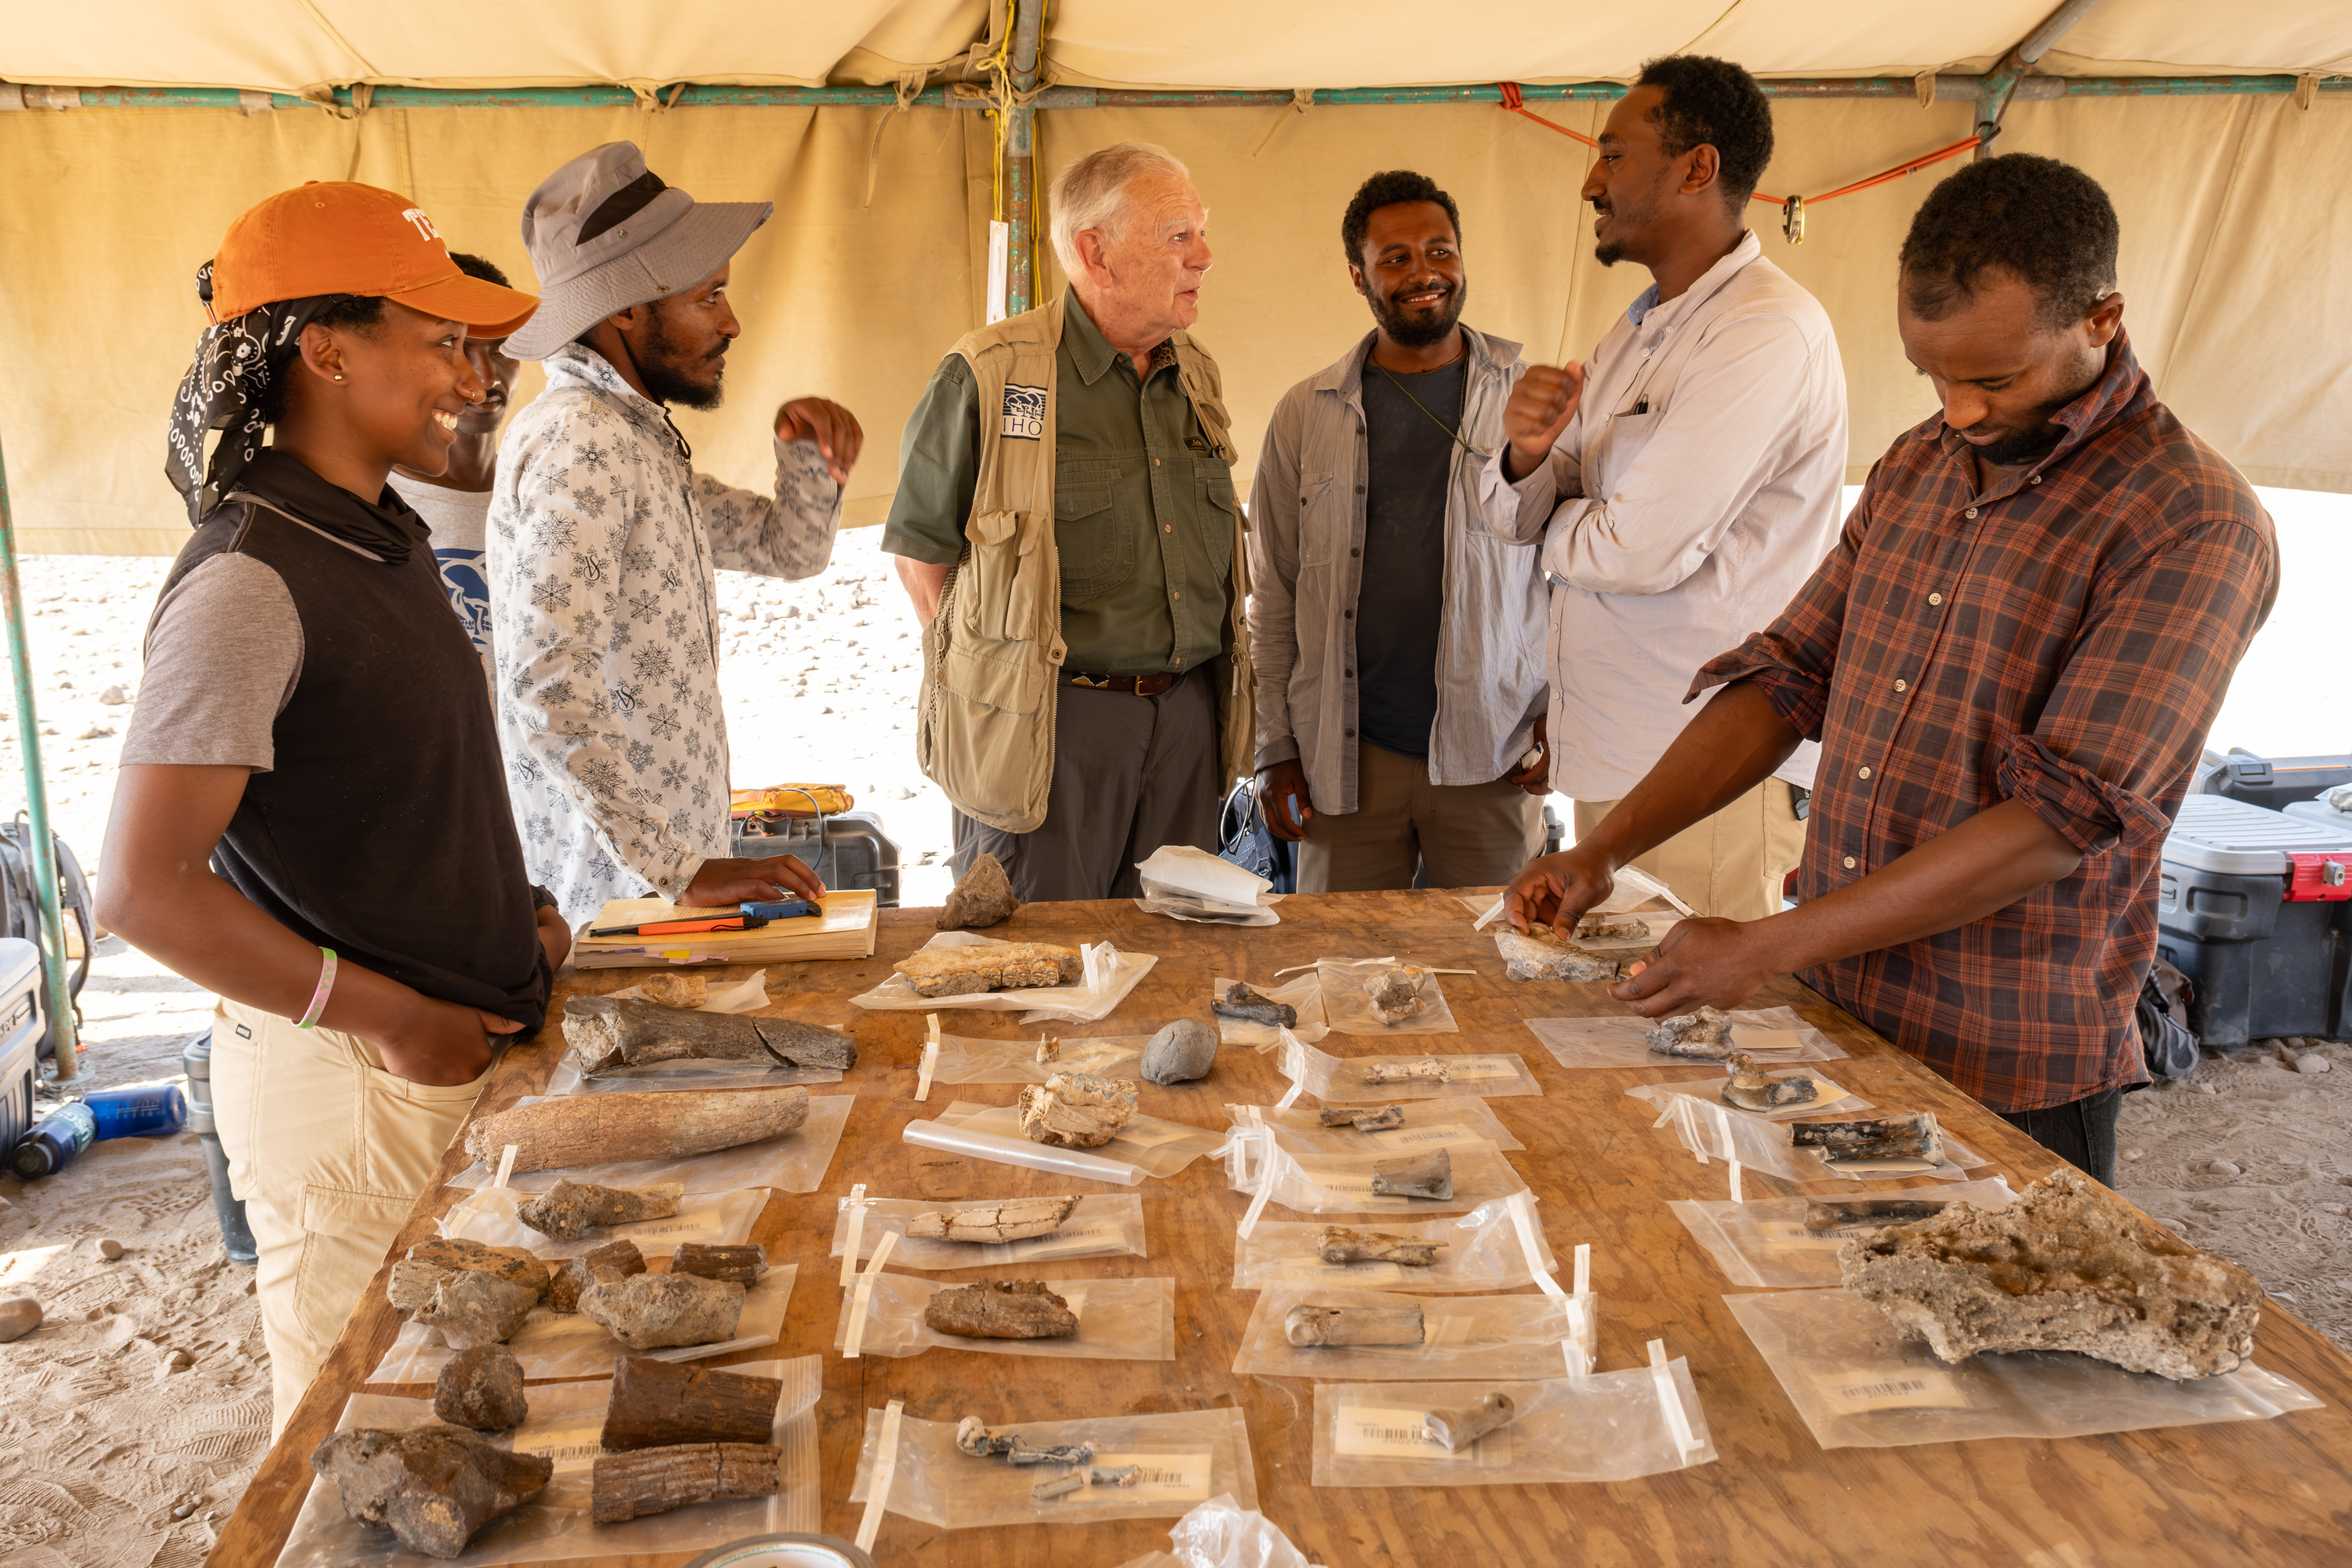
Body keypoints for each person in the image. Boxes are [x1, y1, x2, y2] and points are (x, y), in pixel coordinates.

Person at [1505, 154, 2279, 1187]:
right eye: (1931, 374)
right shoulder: (1920, 464)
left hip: (2003, 1059)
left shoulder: (2188, 521)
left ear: (2101, 319)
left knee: (2007, 1336)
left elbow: (2054, 822)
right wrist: (1604, 850)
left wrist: (1764, 943)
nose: (1957, 409)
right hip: (1839, 1013)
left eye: (1993, 379)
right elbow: (1786, 676)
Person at [98, 182, 571, 1435]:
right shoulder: (252, 577)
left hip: (424, 1057)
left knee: (465, 1430)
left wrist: (509, 920)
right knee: (367, 1444)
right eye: (443, 344)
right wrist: (393, 1017)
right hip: (349, 1085)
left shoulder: (375, 536)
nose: (473, 383)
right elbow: (143, 888)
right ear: (326, 349)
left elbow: (388, 794)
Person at [1484, 55, 1847, 919]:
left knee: (1702, 1046)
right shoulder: (1637, 328)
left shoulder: (1764, 331)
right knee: (1623, 1037)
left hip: (1710, 779)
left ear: (1697, 168)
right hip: (1626, 764)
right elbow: (1509, 514)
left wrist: (1555, 524)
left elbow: (1639, 550)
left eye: (1612, 155)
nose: (1588, 183)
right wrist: (1527, 457)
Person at [491, 142, 865, 925]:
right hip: (615, 899)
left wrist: (808, 461)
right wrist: (680, 868)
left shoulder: (634, 442)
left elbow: (786, 552)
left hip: (657, 884)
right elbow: (546, 680)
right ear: (625, 309)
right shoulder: (584, 442)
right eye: (708, 298)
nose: (731, 323)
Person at [883, 142, 1253, 902]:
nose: (1204, 256)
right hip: (1051, 729)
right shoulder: (990, 373)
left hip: (1187, 722)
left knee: (1172, 963)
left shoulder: (1196, 374)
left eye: (1201, 231)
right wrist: (997, 699)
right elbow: (924, 561)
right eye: (1177, 235)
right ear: (1097, 253)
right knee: (1040, 973)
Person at [1248, 170, 1549, 892]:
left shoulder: (1528, 394)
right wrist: (1273, 747)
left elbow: (1575, 575)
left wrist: (1564, 715)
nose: (1424, 274)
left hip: (1493, 750)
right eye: (1396, 259)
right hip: (1345, 760)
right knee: (1341, 978)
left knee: (1495, 972)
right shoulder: (1305, 414)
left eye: (1439, 251)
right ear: (1358, 276)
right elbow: (1273, 595)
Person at [387, 250, 519, 689]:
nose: (483, 377)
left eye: (503, 348)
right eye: (455, 349)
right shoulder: (373, 505)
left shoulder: (554, 489)